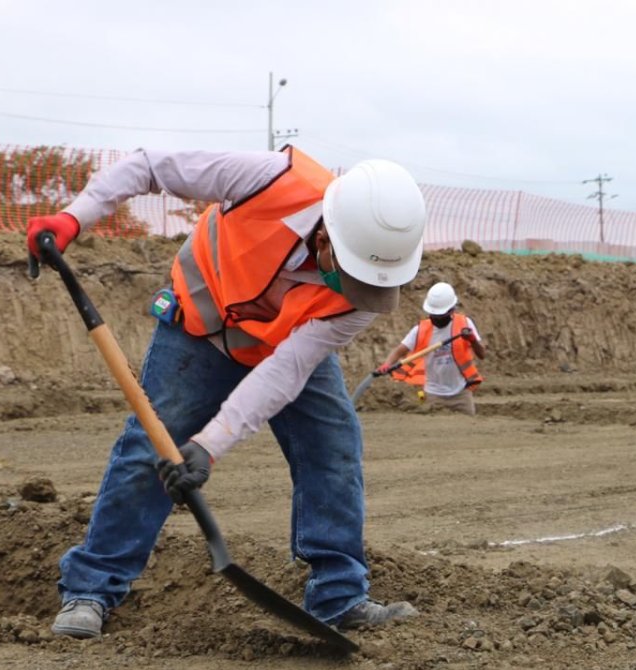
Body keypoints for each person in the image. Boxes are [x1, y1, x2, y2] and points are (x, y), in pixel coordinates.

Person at [25, 145, 427, 639]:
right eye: (349, 270)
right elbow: (150, 166)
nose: (352, 286)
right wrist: (74, 218)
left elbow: (285, 371)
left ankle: (339, 596)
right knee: (153, 447)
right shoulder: (269, 179)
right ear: (327, 233)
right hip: (197, 329)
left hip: (282, 350)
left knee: (334, 449)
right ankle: (91, 589)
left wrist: (210, 447)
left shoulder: (364, 297)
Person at [380, 282, 485, 414]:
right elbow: (399, 351)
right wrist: (387, 364)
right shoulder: (420, 330)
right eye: (434, 316)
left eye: (441, 316)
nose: (437, 319)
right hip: (432, 395)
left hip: (461, 394)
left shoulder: (464, 324)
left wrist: (473, 340)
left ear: (452, 310)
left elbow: (482, 354)